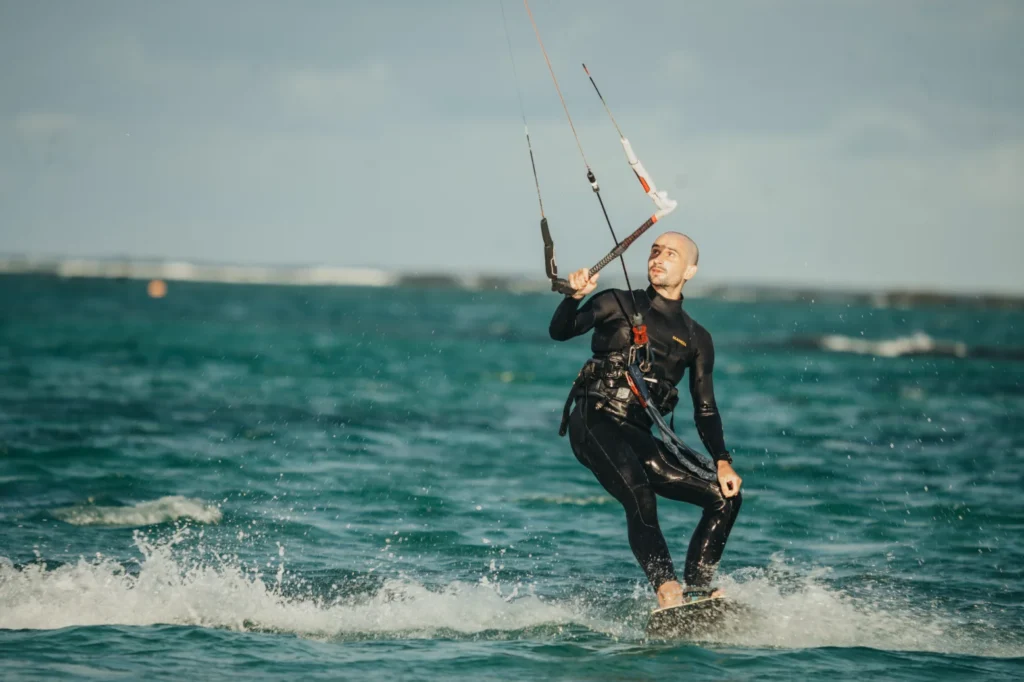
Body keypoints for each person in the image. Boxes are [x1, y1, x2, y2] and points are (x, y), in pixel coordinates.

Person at [549, 231, 742, 609]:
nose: (659, 258)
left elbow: (705, 409)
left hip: (637, 433)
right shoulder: (616, 302)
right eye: (655, 251)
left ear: (690, 270)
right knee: (639, 492)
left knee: (725, 498)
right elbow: (561, 331)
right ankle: (667, 590)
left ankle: (698, 591)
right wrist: (574, 297)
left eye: (671, 254)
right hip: (594, 419)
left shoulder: (696, 337)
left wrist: (722, 460)